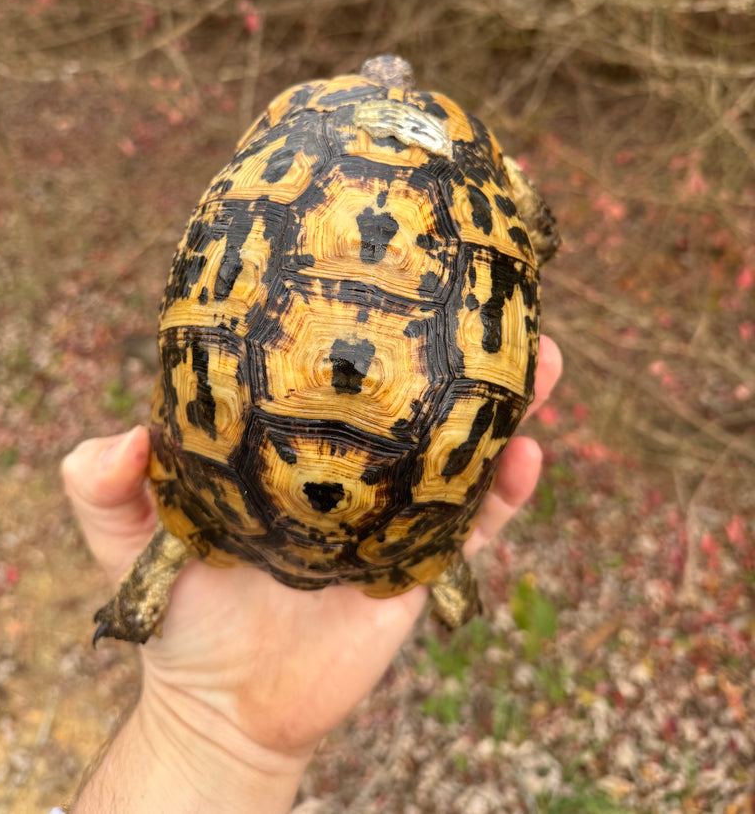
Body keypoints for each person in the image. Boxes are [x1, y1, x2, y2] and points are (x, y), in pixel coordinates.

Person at [55, 337, 562, 814]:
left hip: (228, 496)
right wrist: (201, 726)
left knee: (192, 509)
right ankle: (434, 557)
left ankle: (180, 543)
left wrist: (207, 735)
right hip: (393, 517)